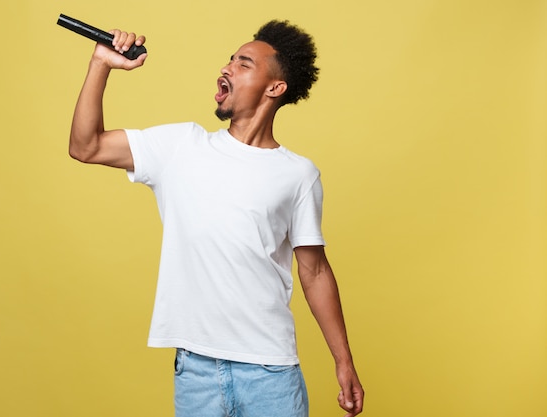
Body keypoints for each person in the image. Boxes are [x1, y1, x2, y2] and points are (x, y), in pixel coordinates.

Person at [68, 20, 364, 417]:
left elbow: (314, 272)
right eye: (228, 60)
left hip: (270, 372)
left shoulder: (298, 174)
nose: (226, 68)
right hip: (196, 372)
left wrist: (343, 361)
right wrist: (101, 64)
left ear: (275, 88)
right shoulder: (179, 147)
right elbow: (85, 146)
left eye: (243, 64)